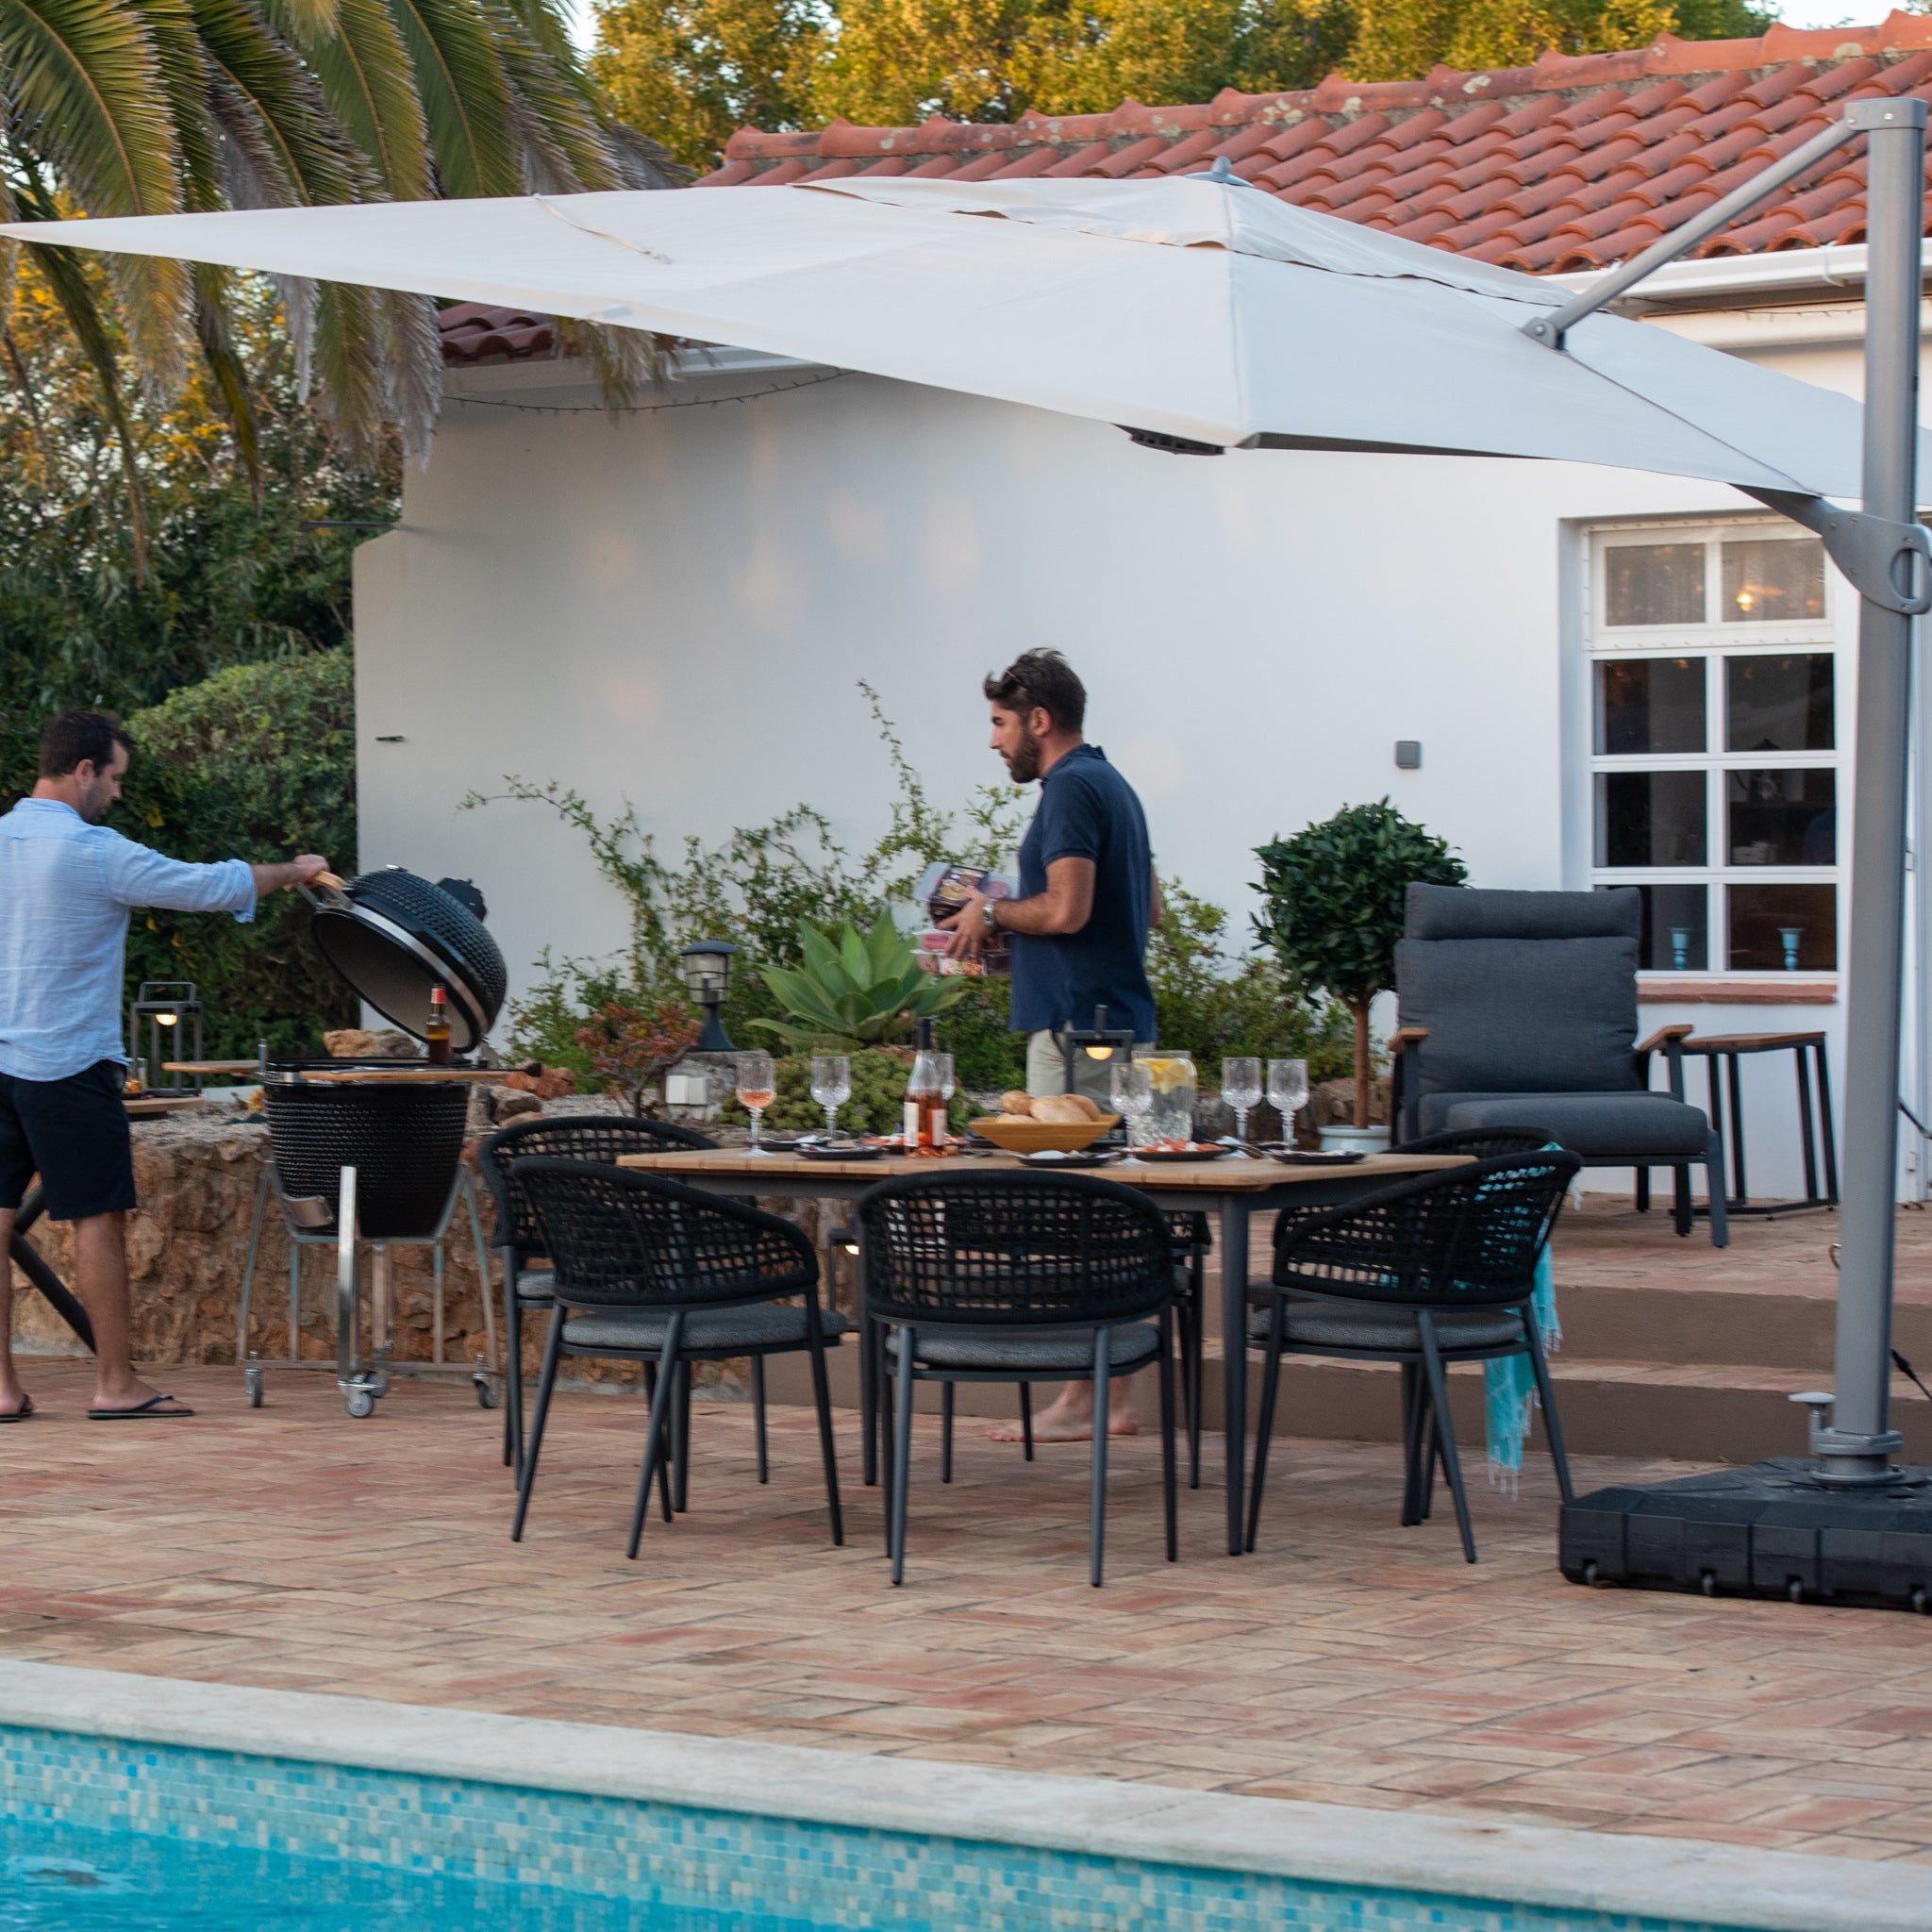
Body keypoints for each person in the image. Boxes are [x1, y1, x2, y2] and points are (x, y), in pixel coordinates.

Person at [0, 711, 329, 1422]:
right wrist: (293, 872)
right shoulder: (93, 851)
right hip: (67, 1062)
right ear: (84, 770)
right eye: (114, 778)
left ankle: (1, 1389)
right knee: (96, 1220)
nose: (116, 794)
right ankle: (116, 1385)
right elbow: (206, 885)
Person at [940, 650, 1161, 1441]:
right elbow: (1150, 907)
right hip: (1112, 1018)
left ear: (1039, 719)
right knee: (1108, 1209)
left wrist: (991, 915)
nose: (995, 742)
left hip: (1075, 1030)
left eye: (1000, 724)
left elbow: (1066, 913)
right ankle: (1110, 1397)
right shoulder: (1113, 786)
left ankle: (1085, 1399)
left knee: (1077, 1209)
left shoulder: (1067, 789)